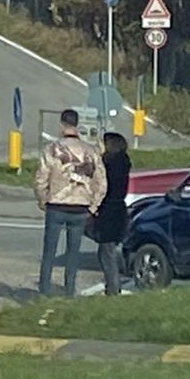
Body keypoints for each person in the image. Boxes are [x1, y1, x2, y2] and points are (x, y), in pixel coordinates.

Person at [35, 109, 106, 297]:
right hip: (81, 207)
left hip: (56, 205)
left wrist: (42, 199)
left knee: (49, 251)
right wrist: (93, 207)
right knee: (73, 252)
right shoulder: (90, 152)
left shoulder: (51, 149)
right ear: (77, 125)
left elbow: (41, 178)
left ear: (61, 124)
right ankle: (69, 291)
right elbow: (101, 183)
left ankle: (44, 291)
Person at [95, 132, 132, 296]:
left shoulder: (107, 164)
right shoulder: (123, 162)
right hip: (118, 209)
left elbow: (100, 185)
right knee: (108, 250)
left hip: (108, 210)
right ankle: (113, 285)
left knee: (107, 251)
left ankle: (113, 288)